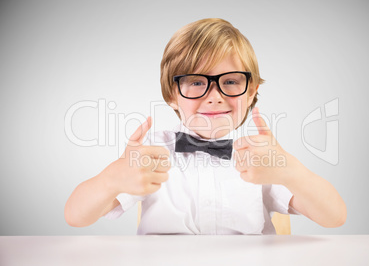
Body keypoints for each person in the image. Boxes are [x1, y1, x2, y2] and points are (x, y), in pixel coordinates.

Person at [64, 18, 347, 234]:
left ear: (249, 94)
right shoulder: (152, 152)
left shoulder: (261, 157)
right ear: (172, 95)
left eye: (231, 81)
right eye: (197, 82)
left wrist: (291, 171)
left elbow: (334, 217)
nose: (214, 96)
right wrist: (110, 179)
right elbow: (76, 217)